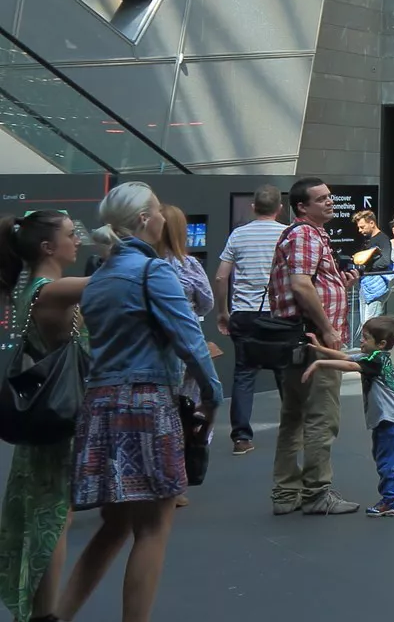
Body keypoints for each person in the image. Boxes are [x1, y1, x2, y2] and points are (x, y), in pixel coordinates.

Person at [56, 184, 221, 622]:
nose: (165, 217)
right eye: (157, 211)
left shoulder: (100, 278)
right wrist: (212, 393)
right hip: (147, 405)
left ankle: (57, 614)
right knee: (153, 527)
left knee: (116, 525)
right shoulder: (155, 273)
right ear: (146, 219)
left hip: (101, 405)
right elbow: (190, 340)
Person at [0, 211, 88, 622]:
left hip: (44, 414)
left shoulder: (31, 289)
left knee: (47, 512)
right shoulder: (52, 290)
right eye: (72, 235)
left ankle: (43, 611)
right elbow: (113, 283)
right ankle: (45, 613)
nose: (79, 241)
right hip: (59, 417)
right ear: (47, 248)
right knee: (53, 516)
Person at [268, 179, 356, 516]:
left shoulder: (307, 235)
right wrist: (328, 329)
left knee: (293, 415)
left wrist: (339, 282)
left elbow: (309, 282)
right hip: (315, 342)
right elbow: (302, 286)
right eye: (321, 199)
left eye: (330, 197)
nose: (330, 203)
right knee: (321, 415)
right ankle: (317, 492)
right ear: (302, 207)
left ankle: (285, 493)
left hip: (299, 339)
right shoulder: (304, 234)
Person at [299, 317, 394, 518]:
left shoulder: (377, 359)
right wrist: (319, 349)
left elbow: (351, 367)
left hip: (390, 419)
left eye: (366, 338)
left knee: (384, 462)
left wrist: (319, 363)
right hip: (386, 418)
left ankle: (390, 501)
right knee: (382, 456)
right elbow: (345, 358)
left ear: (381, 344)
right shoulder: (373, 356)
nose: (361, 341)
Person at [212, 186, 287, 457]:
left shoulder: (238, 234)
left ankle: (241, 438)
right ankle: (292, 432)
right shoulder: (286, 234)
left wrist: (222, 312)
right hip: (279, 314)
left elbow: (221, 277)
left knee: (244, 375)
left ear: (253, 207)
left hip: (244, 313)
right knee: (285, 372)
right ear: (280, 208)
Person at [153, 206, 214, 511]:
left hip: (153, 348)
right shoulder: (187, 264)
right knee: (183, 413)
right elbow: (206, 303)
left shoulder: (145, 264)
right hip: (187, 344)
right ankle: (175, 483)